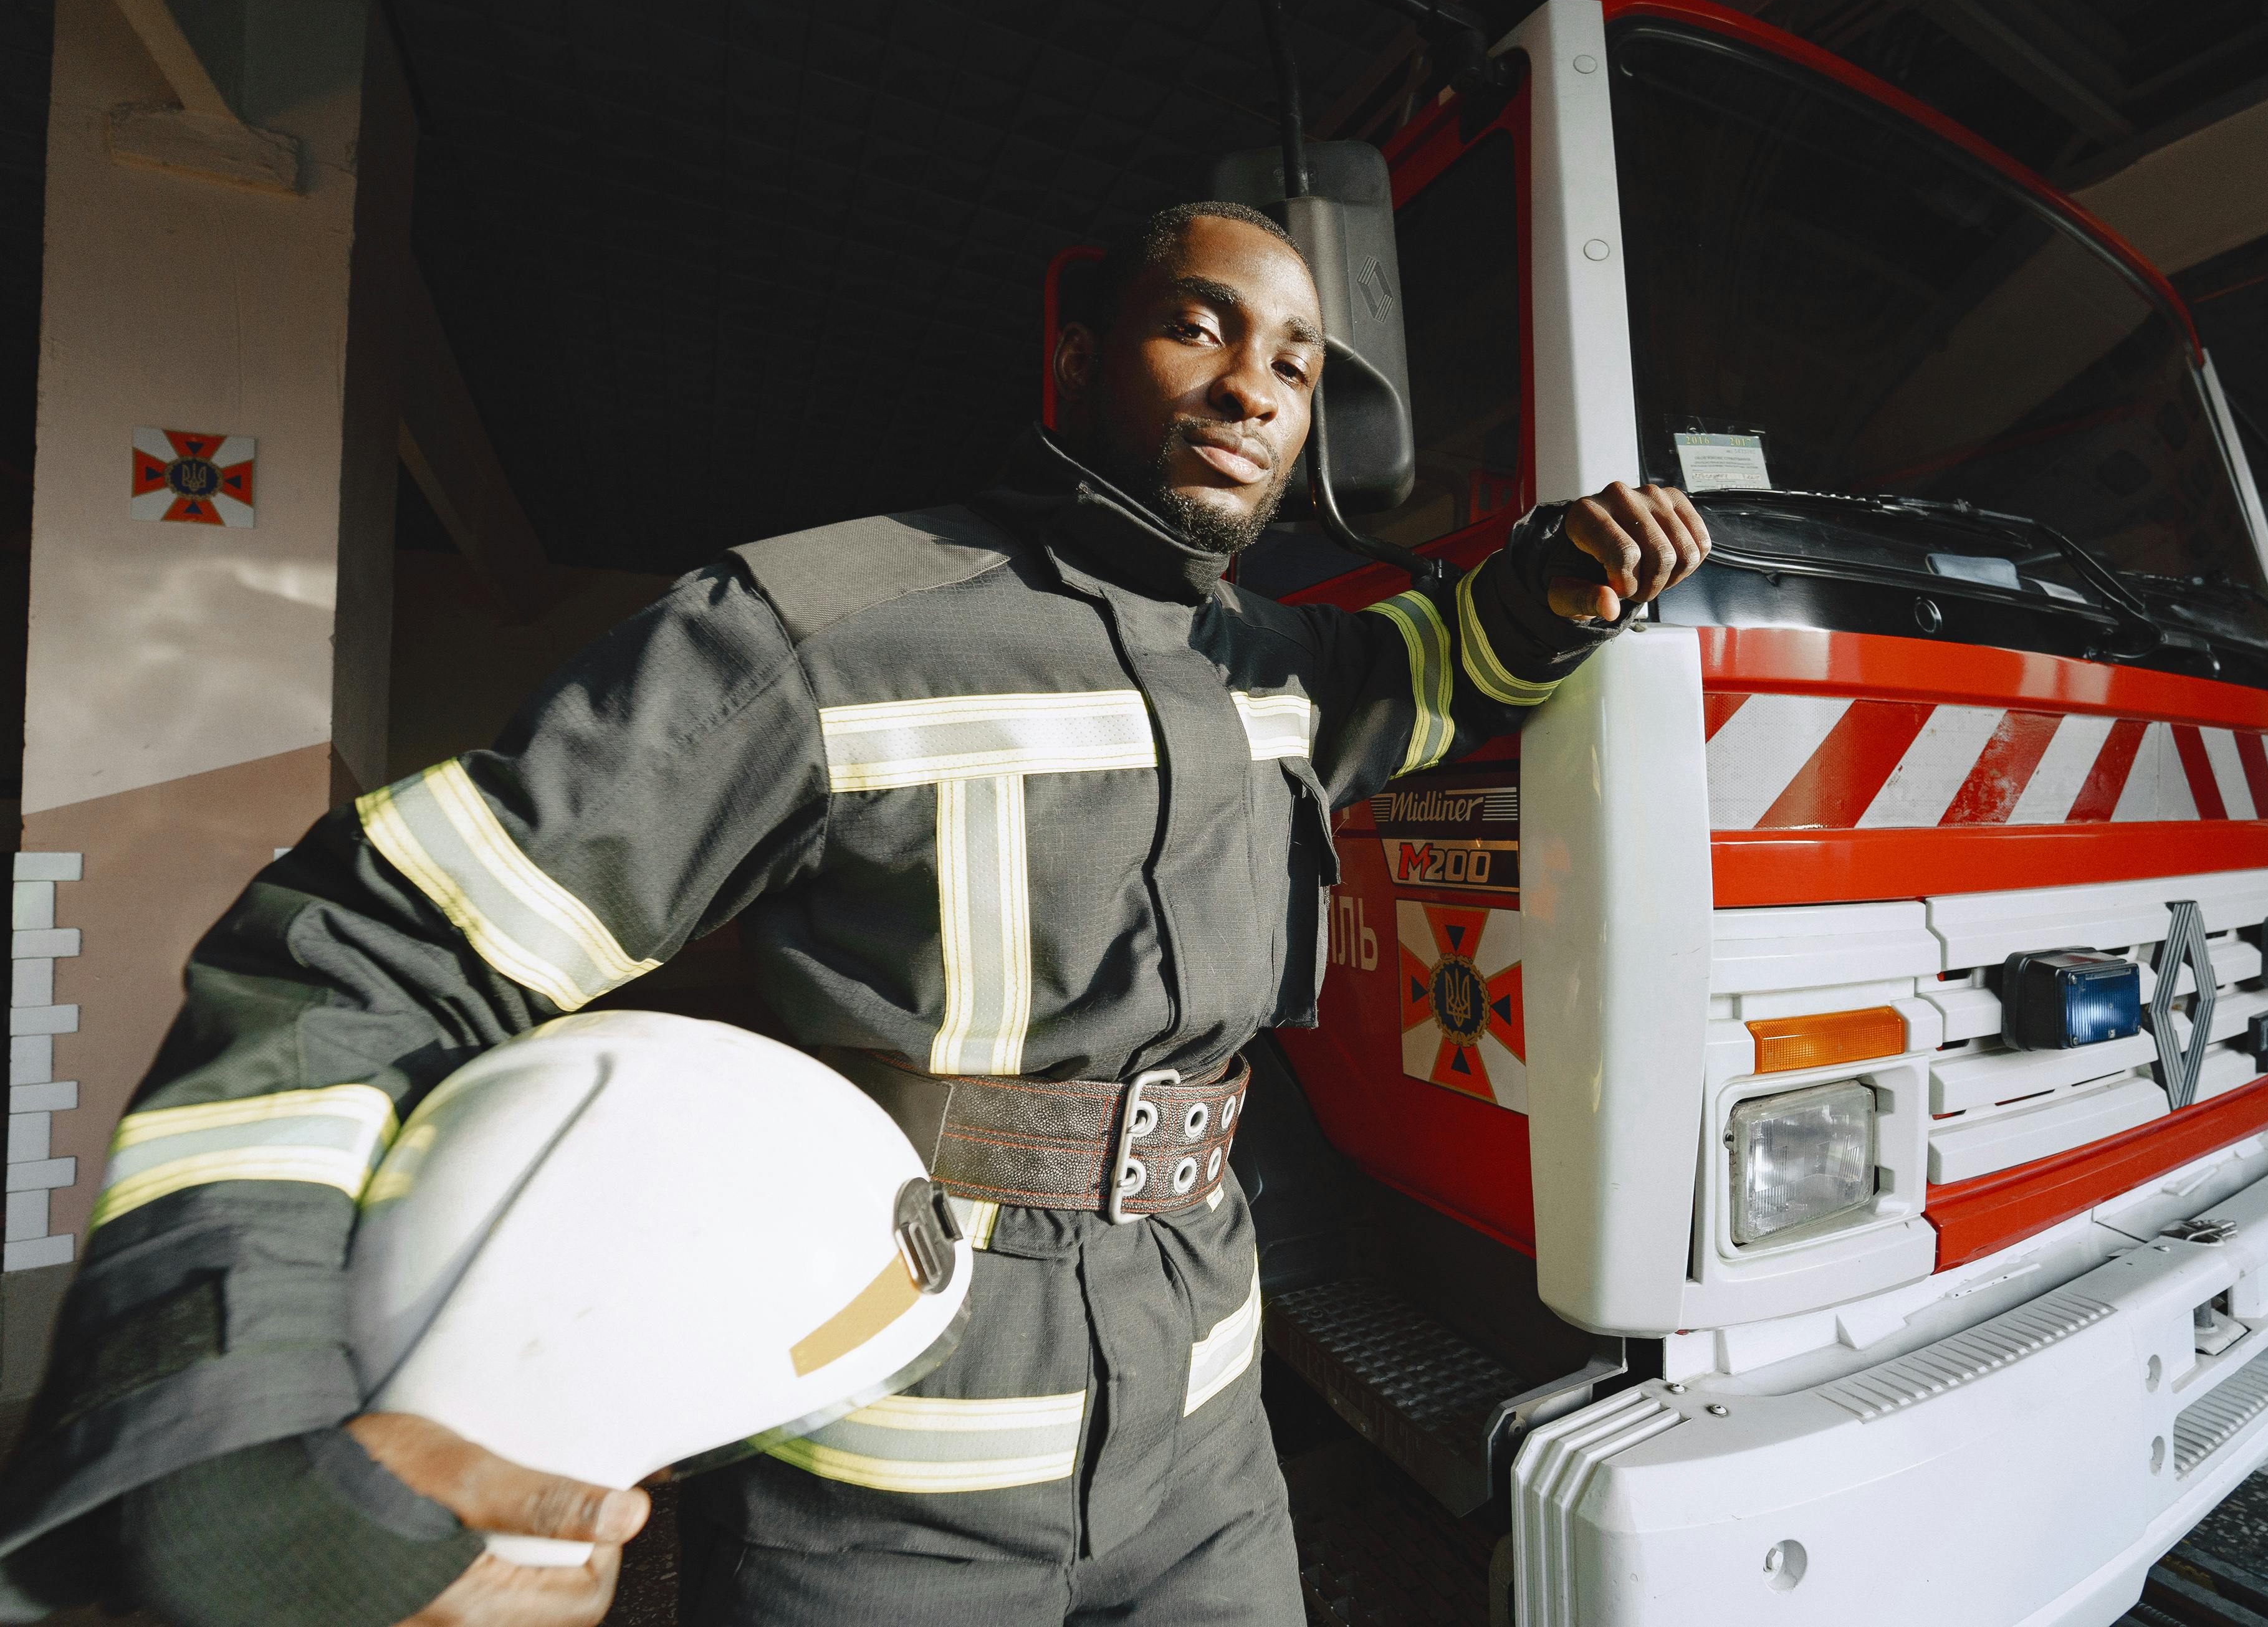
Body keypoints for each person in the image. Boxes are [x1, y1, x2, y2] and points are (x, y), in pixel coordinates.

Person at [0, 201, 1707, 1626]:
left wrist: (1552, 588)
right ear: (1078, 354)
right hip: (881, 1506)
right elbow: (358, 946)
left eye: (1295, 359)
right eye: (1201, 324)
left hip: (1211, 1476)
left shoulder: (1277, 665)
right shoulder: (816, 627)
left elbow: (1444, 678)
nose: (1255, 385)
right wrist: (235, 1449)